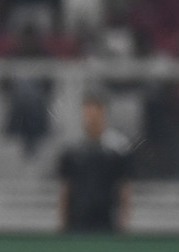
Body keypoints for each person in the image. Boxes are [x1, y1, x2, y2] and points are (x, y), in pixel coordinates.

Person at [57, 93, 133, 232]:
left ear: (103, 114)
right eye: (87, 114)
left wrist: (124, 217)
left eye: (94, 113)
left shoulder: (117, 150)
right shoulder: (72, 151)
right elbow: (65, 187)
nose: (90, 119)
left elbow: (123, 185)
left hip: (105, 218)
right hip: (77, 218)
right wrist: (62, 219)